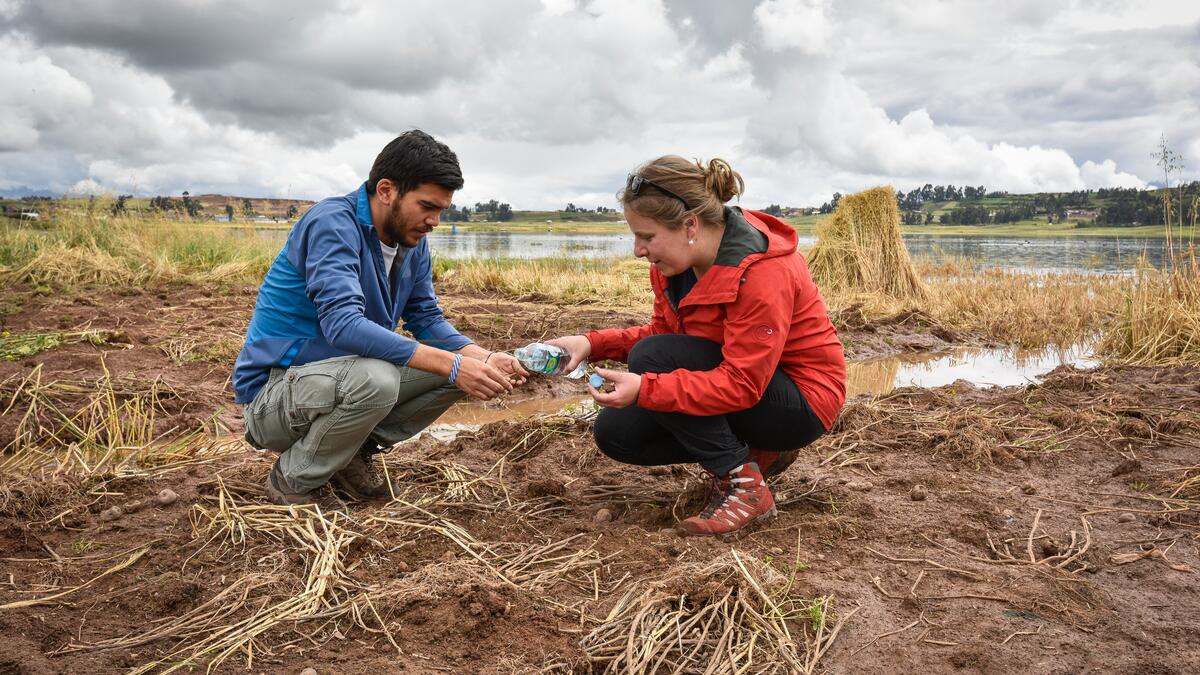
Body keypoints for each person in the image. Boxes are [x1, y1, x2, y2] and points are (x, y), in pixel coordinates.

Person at [549, 156, 846, 537]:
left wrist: (646, 388)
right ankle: (757, 454)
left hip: (801, 400)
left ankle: (744, 486)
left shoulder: (761, 272)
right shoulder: (674, 267)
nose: (638, 251)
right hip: (749, 385)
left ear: (690, 224)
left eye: (647, 236)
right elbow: (663, 335)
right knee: (616, 433)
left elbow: (741, 383)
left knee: (650, 361)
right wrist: (590, 343)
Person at [233, 130, 527, 510]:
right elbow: (343, 325)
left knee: (469, 370)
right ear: (387, 190)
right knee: (380, 379)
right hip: (273, 396)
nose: (434, 220)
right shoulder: (332, 223)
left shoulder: (412, 243)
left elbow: (426, 319)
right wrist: (453, 364)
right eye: (426, 206)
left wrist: (482, 357)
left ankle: (346, 454)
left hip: (336, 383)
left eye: (441, 210)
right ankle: (293, 478)